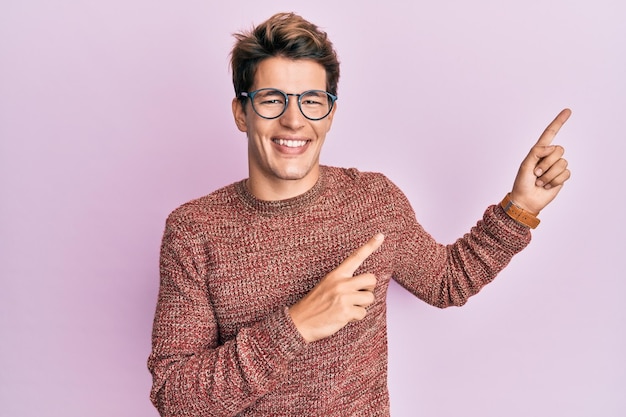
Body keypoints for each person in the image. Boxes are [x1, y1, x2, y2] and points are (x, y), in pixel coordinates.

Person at [147, 12, 571, 417]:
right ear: (242, 112)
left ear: (330, 113)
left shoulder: (373, 200)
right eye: (272, 99)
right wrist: (294, 325)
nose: (293, 120)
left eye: (312, 101)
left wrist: (521, 208)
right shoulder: (193, 230)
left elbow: (448, 283)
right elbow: (176, 399)